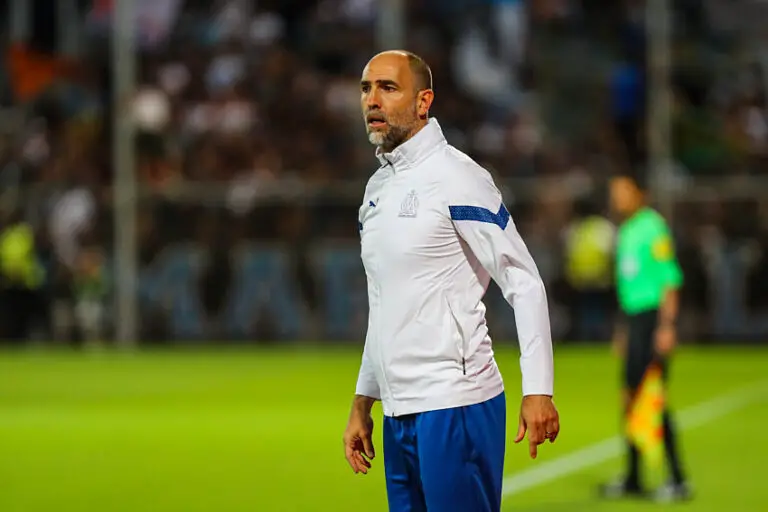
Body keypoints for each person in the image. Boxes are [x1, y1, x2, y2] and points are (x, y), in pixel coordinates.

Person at [342, 50, 559, 511]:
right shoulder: (377, 189)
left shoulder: (458, 176)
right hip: (399, 411)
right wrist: (364, 400)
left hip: (455, 403)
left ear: (424, 102)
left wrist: (538, 389)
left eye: (387, 87)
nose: (372, 100)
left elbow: (522, 280)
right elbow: (384, 304)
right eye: (366, 88)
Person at [599, 172, 692, 502]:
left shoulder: (654, 227)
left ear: (640, 193)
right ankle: (633, 478)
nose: (618, 198)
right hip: (634, 322)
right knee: (629, 398)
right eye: (615, 193)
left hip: (652, 320)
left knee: (652, 399)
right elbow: (628, 285)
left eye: (623, 191)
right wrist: (623, 329)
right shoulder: (625, 231)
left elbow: (669, 279)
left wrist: (667, 326)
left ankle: (678, 479)